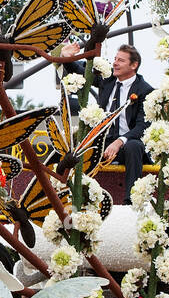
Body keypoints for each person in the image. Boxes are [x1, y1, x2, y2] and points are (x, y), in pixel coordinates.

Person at [61, 42, 154, 198]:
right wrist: (66, 57)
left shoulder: (145, 90)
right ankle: (75, 196)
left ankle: (131, 200)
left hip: (126, 146)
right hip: (102, 142)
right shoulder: (107, 79)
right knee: (74, 145)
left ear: (134, 65)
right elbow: (81, 71)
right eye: (115, 59)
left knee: (134, 146)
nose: (115, 63)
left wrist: (119, 142)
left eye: (121, 60)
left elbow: (142, 126)